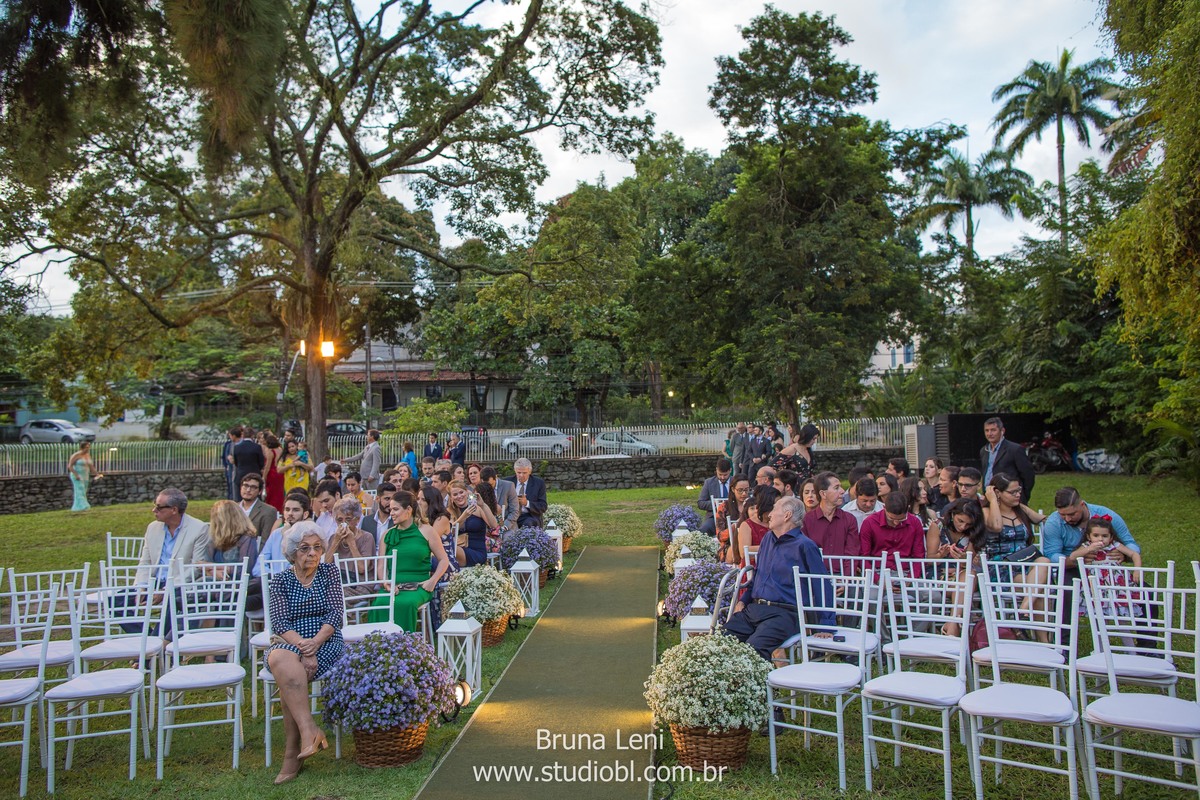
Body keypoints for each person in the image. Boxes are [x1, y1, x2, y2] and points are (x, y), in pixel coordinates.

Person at [265, 521, 345, 785]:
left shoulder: (328, 573)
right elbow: (280, 623)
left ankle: (291, 754)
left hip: (327, 639)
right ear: (291, 552)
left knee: (289, 675)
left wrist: (315, 644)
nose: (312, 553)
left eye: (317, 547)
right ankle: (309, 728)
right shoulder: (280, 581)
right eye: (304, 548)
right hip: (292, 640)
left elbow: (336, 614)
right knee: (279, 657)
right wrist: (303, 645)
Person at [724, 496, 835, 663]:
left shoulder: (804, 545)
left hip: (785, 613)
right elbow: (758, 573)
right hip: (756, 609)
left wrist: (826, 623)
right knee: (721, 641)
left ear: (787, 515)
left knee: (753, 649)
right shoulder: (768, 539)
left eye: (774, 510)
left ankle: (762, 688)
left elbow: (821, 583)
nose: (769, 514)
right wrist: (744, 600)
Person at [369, 490, 451, 633]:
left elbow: (444, 560)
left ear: (408, 510)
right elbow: (381, 566)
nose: (391, 513)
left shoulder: (427, 531)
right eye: (390, 509)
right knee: (380, 603)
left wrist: (432, 580)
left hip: (419, 586)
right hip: (393, 586)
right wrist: (386, 583)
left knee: (406, 603)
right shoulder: (387, 535)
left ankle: (406, 646)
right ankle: (379, 646)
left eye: (396, 509)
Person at [1041, 487, 1140, 576]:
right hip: (1072, 570)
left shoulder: (1107, 515)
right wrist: (1078, 560)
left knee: (1146, 595)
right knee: (1072, 595)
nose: (1067, 519)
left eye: (1072, 514)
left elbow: (1130, 543)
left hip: (1109, 569)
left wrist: (1123, 555)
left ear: (1082, 505)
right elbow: (1051, 555)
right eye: (1062, 515)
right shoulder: (1054, 523)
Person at [136, 488, 211, 587]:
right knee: (113, 601)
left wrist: (167, 589)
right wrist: (141, 587)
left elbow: (197, 566)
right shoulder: (152, 528)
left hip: (180, 587)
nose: (153, 510)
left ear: (174, 510)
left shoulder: (199, 528)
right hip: (151, 584)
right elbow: (145, 562)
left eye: (159, 507)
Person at [1073, 516, 1144, 617]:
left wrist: (1137, 570)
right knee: (1099, 610)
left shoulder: (1114, 545)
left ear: (1111, 537)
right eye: (1096, 535)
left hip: (1116, 583)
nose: (1100, 539)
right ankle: (1101, 631)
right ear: (1089, 537)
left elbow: (1134, 554)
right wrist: (1088, 549)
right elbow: (1073, 556)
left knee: (1121, 607)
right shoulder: (1087, 545)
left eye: (1105, 536)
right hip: (1096, 582)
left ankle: (1123, 630)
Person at [207, 499, 262, 609]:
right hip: (217, 582)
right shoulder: (215, 540)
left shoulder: (247, 538)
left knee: (225, 595)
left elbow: (245, 570)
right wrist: (212, 571)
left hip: (241, 585)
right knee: (199, 585)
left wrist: (217, 568)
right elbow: (203, 565)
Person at [324, 497, 377, 603]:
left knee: (333, 595)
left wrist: (351, 542)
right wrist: (336, 541)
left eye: (348, 519)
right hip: (339, 584)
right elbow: (326, 565)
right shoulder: (333, 538)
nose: (344, 524)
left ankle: (342, 616)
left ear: (357, 519)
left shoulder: (367, 537)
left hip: (360, 586)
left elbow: (362, 569)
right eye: (339, 520)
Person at [859, 492, 926, 574]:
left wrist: (911, 578)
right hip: (877, 570)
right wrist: (876, 579)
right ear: (884, 508)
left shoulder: (915, 522)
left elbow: (919, 555)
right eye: (891, 518)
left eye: (901, 519)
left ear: (907, 510)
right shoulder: (870, 522)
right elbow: (863, 555)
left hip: (907, 571)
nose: (896, 523)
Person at [803, 472, 859, 564]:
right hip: (815, 575)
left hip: (842, 575)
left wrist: (845, 578)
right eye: (836, 488)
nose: (842, 491)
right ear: (823, 494)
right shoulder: (806, 520)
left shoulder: (849, 519)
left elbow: (852, 553)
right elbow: (804, 553)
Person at [980, 416, 1035, 503]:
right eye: (987, 430)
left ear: (1002, 431)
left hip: (1009, 497)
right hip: (989, 497)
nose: (989, 433)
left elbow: (1028, 475)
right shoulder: (984, 450)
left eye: (993, 430)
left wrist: (1023, 495)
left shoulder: (1015, 449)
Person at [258, 492, 310, 580]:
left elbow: (300, 568)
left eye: (295, 510)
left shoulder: (309, 535)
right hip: (273, 583)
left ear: (305, 514)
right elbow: (258, 567)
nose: (290, 513)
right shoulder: (276, 534)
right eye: (287, 509)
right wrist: (276, 576)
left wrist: (288, 537)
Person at [447, 479, 497, 567]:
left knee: (450, 549)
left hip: (477, 551)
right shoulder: (450, 512)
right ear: (451, 498)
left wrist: (483, 505)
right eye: (455, 494)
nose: (459, 496)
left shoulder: (476, 508)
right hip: (458, 548)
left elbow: (493, 525)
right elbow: (449, 532)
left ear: (467, 492)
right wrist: (464, 516)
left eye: (461, 492)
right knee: (447, 548)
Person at [726, 485, 777, 566]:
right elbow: (744, 552)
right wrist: (775, 547)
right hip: (754, 568)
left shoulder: (778, 522)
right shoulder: (747, 525)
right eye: (775, 506)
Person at [417, 486, 456, 577]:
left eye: (423, 500)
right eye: (418, 499)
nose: (419, 502)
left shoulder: (441, 519)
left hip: (443, 561)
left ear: (431, 502)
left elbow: (428, 540)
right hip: (427, 557)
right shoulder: (419, 518)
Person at [503, 458, 547, 528]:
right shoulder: (506, 482)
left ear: (530, 471)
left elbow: (543, 506)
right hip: (510, 515)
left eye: (524, 473)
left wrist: (527, 503)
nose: (521, 475)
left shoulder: (538, 483)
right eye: (519, 472)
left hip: (529, 516)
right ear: (515, 471)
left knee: (528, 524)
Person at [697, 458, 733, 536]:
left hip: (733, 515)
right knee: (703, 530)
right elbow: (700, 503)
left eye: (725, 475)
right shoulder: (709, 483)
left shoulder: (735, 482)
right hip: (714, 517)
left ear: (730, 470)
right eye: (720, 474)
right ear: (716, 470)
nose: (723, 477)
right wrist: (714, 504)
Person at [484, 465, 519, 533]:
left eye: (491, 484)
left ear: (496, 477)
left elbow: (515, 511)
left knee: (506, 540)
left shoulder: (509, 486)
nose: (489, 488)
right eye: (486, 485)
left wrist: (504, 527)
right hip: (488, 527)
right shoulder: (481, 488)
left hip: (507, 525)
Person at [361, 481, 395, 549]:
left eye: (393, 499)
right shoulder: (366, 521)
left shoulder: (398, 521)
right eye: (387, 499)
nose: (390, 503)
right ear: (377, 499)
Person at [67, 440, 97, 512]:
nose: (87, 449)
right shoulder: (76, 455)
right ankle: (84, 506)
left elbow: (91, 466)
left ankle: (78, 507)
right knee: (79, 489)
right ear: (82, 448)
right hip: (77, 475)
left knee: (83, 490)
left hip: (85, 475)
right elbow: (70, 466)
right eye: (86, 447)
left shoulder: (87, 455)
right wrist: (76, 474)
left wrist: (96, 473)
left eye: (88, 447)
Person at [261, 431, 285, 512]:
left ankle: (272, 509)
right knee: (279, 493)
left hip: (272, 473)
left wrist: (263, 477)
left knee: (271, 493)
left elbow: (267, 466)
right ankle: (280, 509)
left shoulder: (270, 451)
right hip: (280, 473)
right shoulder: (280, 449)